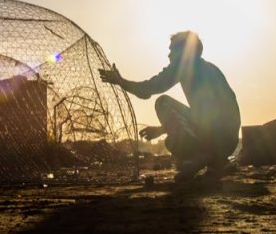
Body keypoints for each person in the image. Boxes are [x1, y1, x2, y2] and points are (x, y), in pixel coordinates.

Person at [99, 31, 240, 182]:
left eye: (172, 50)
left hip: (218, 135)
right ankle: (216, 163)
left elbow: (148, 89)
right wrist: (161, 130)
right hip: (229, 141)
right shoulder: (209, 68)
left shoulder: (186, 68)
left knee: (163, 103)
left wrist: (121, 81)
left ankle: (201, 156)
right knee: (171, 142)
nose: (169, 55)